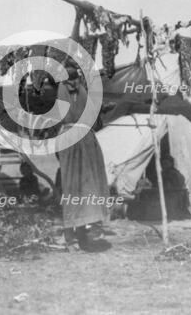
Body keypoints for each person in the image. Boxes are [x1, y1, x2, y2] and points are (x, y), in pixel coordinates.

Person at [55, 67, 110, 247]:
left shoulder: (63, 92)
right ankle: (79, 233)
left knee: (72, 187)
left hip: (72, 140)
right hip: (86, 140)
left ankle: (73, 235)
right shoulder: (82, 93)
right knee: (86, 186)